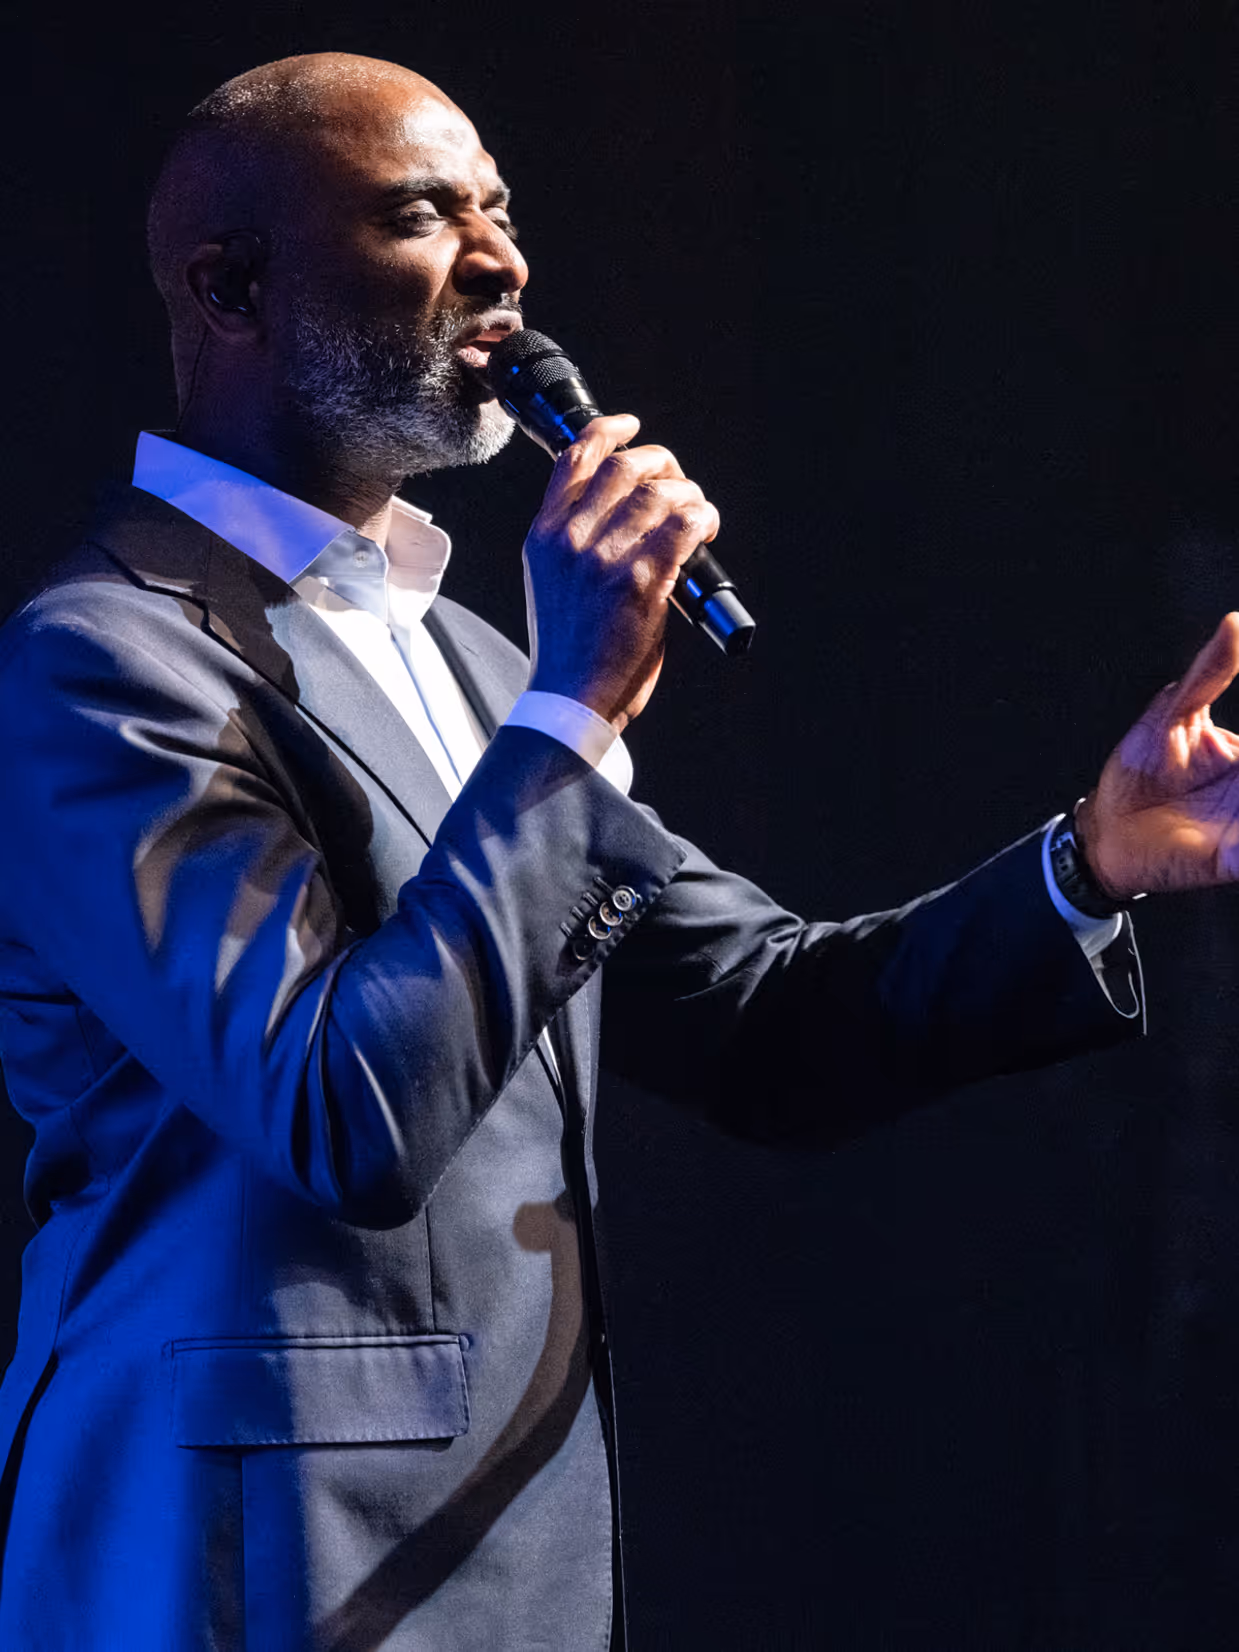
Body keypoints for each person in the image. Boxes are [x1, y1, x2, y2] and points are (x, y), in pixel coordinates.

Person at [0, 50, 1236, 1652]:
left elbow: (761, 1022)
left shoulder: (467, 659)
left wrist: (1093, 860)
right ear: (233, 284)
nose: (501, 260)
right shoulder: (102, 661)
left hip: (509, 1538)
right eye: (420, 216)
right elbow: (338, 1113)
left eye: (499, 211)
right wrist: (576, 704)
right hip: (244, 1562)